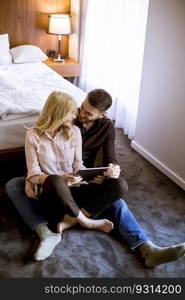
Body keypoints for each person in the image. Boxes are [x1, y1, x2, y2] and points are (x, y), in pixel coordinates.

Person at [5, 89, 185, 268]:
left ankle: (147, 249)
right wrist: (42, 179)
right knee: (52, 180)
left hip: (75, 189)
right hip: (53, 192)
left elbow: (80, 165)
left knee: (119, 188)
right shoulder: (33, 135)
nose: (77, 114)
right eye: (75, 110)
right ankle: (85, 222)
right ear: (59, 114)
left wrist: (91, 176)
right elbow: (34, 172)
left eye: (83, 112)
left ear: (101, 115)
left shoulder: (74, 131)